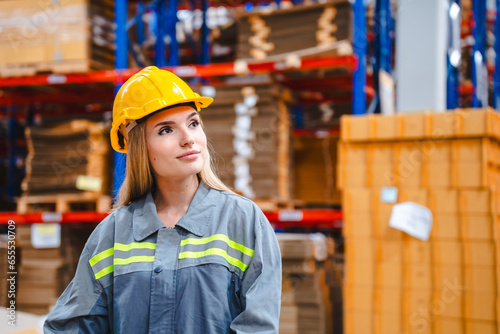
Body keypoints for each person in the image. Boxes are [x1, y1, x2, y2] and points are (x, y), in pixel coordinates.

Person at [43, 66, 282, 333]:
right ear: (139, 147)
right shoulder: (113, 233)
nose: (188, 139)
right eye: (166, 130)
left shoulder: (244, 222)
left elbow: (258, 327)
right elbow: (69, 327)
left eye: (193, 123)